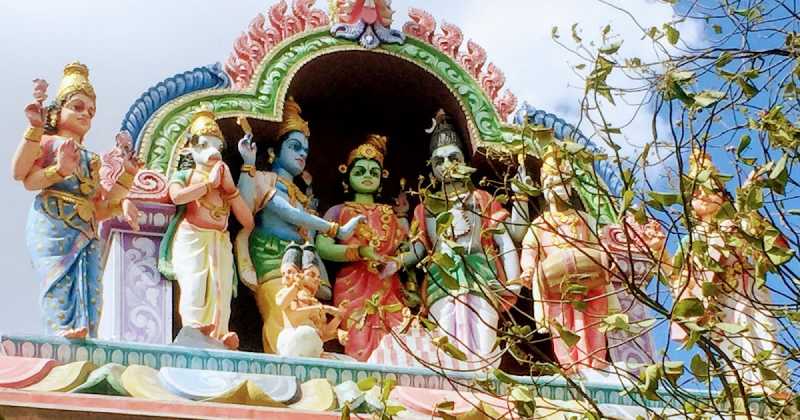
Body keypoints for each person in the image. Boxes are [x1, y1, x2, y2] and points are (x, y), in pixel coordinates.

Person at [12, 62, 140, 339]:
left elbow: (101, 206)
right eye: (77, 107)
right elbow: (23, 176)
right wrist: (41, 141)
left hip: (86, 229)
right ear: (57, 112)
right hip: (53, 222)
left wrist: (127, 180)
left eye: (91, 112)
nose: (85, 115)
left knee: (92, 288)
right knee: (58, 282)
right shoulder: (47, 142)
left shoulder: (91, 159)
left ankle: (86, 334)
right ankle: (61, 332)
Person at [236, 97, 363, 353]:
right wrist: (336, 229)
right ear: (274, 152)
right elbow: (289, 213)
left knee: (308, 317)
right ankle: (280, 368)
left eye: (305, 150)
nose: (302, 154)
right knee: (283, 312)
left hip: (303, 266)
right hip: (272, 257)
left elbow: (306, 229)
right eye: (295, 147)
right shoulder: (266, 180)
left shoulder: (302, 196)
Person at [397, 110, 520, 365]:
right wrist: (392, 263)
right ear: (431, 168)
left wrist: (514, 282)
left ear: (465, 162)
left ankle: (486, 387)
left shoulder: (482, 199)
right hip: (440, 282)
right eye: (439, 161)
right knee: (446, 351)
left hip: (482, 276)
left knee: (484, 348)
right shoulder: (424, 208)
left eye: (453, 158)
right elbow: (419, 252)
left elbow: (505, 241)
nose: (446, 165)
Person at [158, 109, 254, 350]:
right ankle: (193, 327)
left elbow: (248, 222)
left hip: (220, 241)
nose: (212, 152)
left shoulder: (224, 183)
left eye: (217, 147)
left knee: (220, 289)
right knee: (195, 283)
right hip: (192, 237)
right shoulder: (187, 174)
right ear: (189, 149)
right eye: (204, 146)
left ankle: (220, 333)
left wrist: (230, 190)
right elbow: (177, 197)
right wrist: (207, 185)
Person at [520, 144, 614, 375]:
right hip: (556, 284)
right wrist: (528, 269)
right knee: (561, 324)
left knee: (592, 320)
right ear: (543, 189)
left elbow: (599, 246)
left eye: (561, 183)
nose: (556, 189)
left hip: (588, 279)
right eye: (550, 184)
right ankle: (570, 366)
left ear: (570, 187)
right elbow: (529, 249)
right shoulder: (540, 224)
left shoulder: (583, 219)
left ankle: (595, 362)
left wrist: (604, 261)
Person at [316, 134, 408, 361]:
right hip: (353, 284)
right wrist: (360, 252)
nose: (367, 176)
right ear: (346, 176)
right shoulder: (338, 211)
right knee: (357, 338)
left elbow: (406, 248)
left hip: (387, 283)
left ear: (382, 178)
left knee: (393, 339)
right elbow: (322, 247)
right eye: (360, 172)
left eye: (373, 172)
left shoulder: (391, 214)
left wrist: (396, 262)